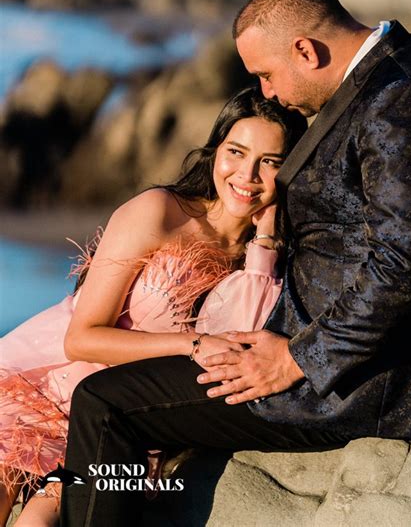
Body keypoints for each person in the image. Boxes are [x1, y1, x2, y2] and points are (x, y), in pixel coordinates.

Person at [60, 0, 411, 527]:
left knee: (105, 405)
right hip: (335, 353)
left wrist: (296, 359)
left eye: (266, 74)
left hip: (361, 384)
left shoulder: (400, 99)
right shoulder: (398, 69)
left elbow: (403, 261)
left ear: (306, 49)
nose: (269, 93)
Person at [0, 86, 307, 527]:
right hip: (40, 382)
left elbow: (242, 339)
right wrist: (192, 343)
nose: (248, 174)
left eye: (271, 162)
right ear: (215, 151)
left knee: (40, 523)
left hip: (124, 423)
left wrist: (264, 242)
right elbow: (81, 336)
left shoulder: (269, 258)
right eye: (236, 152)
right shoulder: (161, 212)